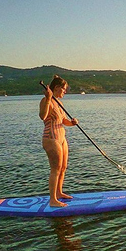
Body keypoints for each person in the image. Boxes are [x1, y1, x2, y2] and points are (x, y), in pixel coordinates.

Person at [40, 75, 78, 207]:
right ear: (56, 88)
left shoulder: (59, 103)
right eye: (64, 89)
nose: (65, 92)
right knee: (55, 169)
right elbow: (42, 116)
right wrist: (48, 98)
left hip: (62, 138)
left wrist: (72, 123)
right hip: (51, 138)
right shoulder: (47, 101)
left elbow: (62, 121)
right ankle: (52, 200)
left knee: (63, 167)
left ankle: (59, 193)